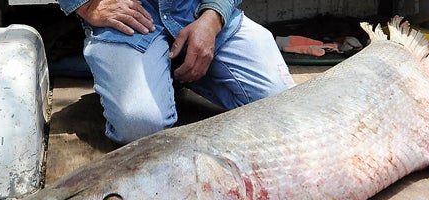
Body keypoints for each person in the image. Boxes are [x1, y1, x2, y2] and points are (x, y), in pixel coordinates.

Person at [56, 0, 295, 144]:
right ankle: (157, 73)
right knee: (140, 126)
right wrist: (88, 6)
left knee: (281, 102)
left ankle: (168, 73)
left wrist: (213, 17)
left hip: (199, 11)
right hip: (130, 19)